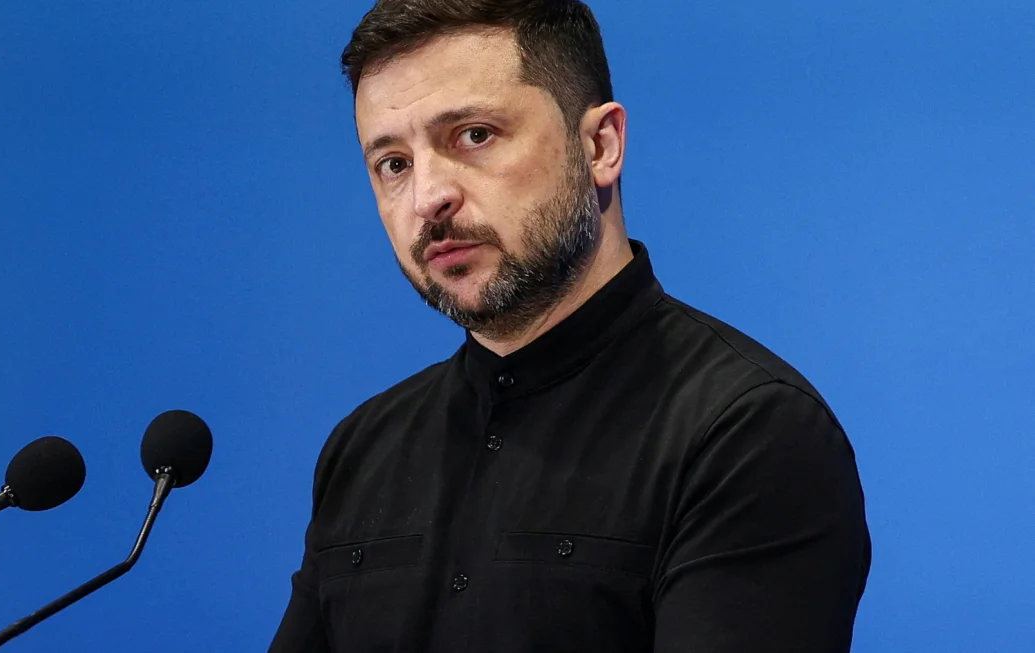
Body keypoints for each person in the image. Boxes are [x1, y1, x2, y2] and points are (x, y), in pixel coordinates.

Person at [268, 1, 871, 651]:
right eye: (393, 163)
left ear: (599, 146)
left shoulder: (746, 431)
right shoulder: (362, 448)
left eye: (472, 135)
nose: (426, 198)